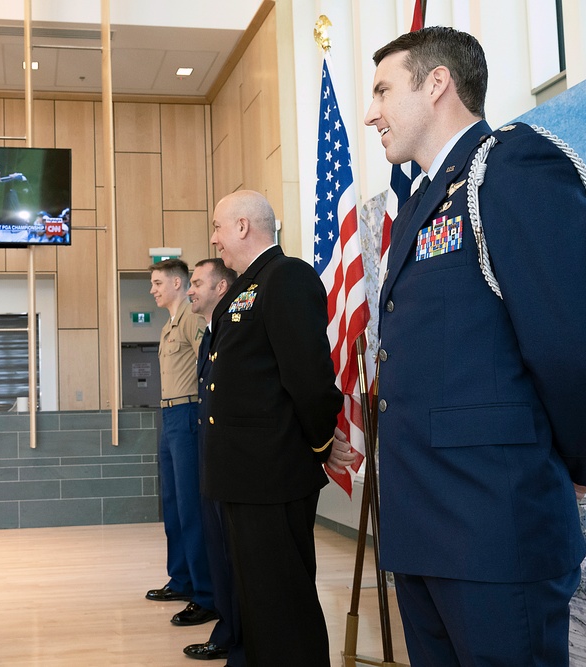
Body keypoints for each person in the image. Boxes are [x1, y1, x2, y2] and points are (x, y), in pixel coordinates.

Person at [364, 26, 586, 665]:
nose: (371, 112)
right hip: (425, 525)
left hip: (494, 526)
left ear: (436, 84)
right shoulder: (424, 200)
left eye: (381, 90)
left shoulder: (512, 167)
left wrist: (571, 453)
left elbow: (576, 343)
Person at [205, 190, 350, 665]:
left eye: (218, 227)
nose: (215, 239)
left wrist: (322, 442)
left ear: (243, 226)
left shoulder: (285, 276)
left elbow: (308, 376)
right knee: (260, 605)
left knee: (284, 606)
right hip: (246, 475)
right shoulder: (249, 285)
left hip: (273, 473)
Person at [145, 258, 217, 628]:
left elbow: (208, 367)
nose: (154, 290)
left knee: (191, 507)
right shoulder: (168, 325)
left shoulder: (190, 319)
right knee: (172, 506)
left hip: (188, 414)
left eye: (158, 283)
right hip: (169, 417)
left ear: (177, 283)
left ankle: (205, 595)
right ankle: (182, 579)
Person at [182, 258, 244, 664]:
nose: (191, 289)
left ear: (221, 287)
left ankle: (235, 635)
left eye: (198, 282)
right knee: (217, 551)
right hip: (212, 452)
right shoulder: (210, 333)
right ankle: (228, 630)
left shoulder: (230, 328)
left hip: (233, 459)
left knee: (231, 556)